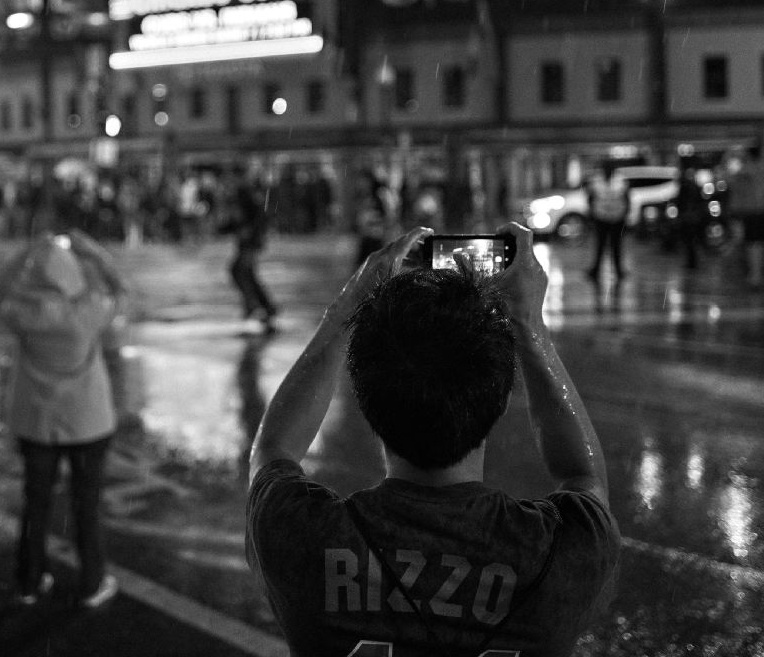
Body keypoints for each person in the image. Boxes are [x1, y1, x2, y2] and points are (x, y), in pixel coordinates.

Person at [246, 224, 619, 656]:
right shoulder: (561, 551)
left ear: (367, 411)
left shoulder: (299, 536)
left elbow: (273, 450)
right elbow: (583, 476)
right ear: (498, 404)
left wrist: (345, 307)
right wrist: (530, 326)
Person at [0, 230, 125, 609]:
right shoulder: (89, 311)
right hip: (88, 423)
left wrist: (24, 254)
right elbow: (120, 288)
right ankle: (91, 583)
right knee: (87, 506)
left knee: (36, 504)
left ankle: (30, 581)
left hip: (37, 423)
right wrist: (93, 251)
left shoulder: (23, 312)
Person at [223, 166, 279, 332]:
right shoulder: (239, 196)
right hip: (248, 242)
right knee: (246, 272)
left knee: (239, 270)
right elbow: (236, 222)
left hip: (251, 242)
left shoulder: (246, 195)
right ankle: (264, 306)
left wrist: (251, 232)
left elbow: (259, 217)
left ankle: (255, 305)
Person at [728, 144, 764, 286]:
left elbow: (730, 181)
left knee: (754, 246)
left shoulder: (744, 171)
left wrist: (729, 155)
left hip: (752, 213)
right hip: (763, 211)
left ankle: (755, 277)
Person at [586, 161, 630, 281]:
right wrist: (591, 215)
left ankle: (619, 270)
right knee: (600, 245)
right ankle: (595, 270)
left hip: (617, 217)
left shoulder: (621, 180)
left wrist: (625, 215)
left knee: (616, 245)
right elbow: (590, 197)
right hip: (601, 217)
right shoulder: (596, 180)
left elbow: (627, 198)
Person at [675, 165, 708, 270]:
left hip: (692, 218)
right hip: (689, 218)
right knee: (689, 241)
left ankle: (693, 262)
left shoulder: (693, 188)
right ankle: (691, 262)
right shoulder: (686, 188)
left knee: (692, 241)